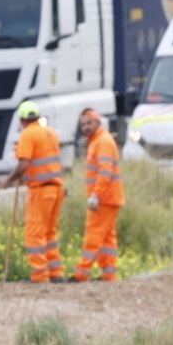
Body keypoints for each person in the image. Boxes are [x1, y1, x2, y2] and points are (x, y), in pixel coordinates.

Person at [0, 100, 65, 283]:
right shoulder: (50, 133)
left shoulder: (28, 135)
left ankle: (40, 275)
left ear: (21, 119)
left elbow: (23, 164)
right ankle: (56, 273)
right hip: (57, 188)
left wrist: (8, 180)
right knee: (50, 233)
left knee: (35, 233)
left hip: (41, 191)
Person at [73, 109, 123, 282]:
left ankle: (81, 273)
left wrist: (96, 195)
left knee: (93, 234)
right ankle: (109, 274)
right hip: (109, 198)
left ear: (97, 122)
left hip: (104, 199)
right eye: (83, 125)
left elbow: (105, 172)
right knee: (107, 238)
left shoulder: (102, 141)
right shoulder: (98, 141)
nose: (85, 127)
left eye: (89, 123)